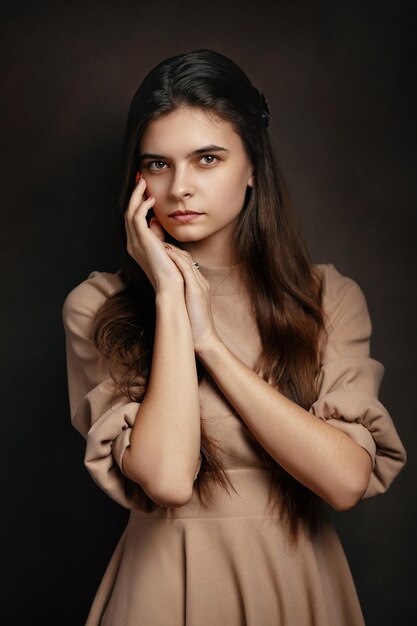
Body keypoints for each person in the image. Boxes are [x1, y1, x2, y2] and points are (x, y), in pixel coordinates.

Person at [62, 49, 407, 626]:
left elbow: (345, 482)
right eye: (157, 164)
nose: (180, 188)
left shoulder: (327, 298)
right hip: (163, 589)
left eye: (207, 158)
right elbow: (169, 479)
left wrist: (212, 348)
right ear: (137, 179)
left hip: (297, 586)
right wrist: (170, 298)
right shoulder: (97, 306)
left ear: (253, 166)